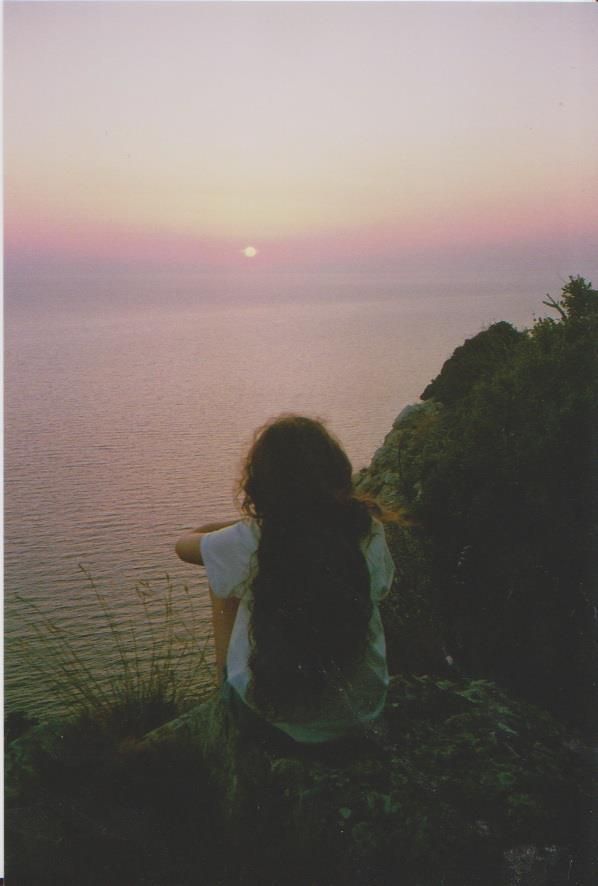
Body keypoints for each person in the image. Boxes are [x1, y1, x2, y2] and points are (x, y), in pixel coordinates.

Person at [175, 414, 395, 746]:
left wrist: (232, 529)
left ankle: (223, 685)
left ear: (263, 482)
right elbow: (380, 589)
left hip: (274, 725)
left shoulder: (253, 538)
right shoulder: (366, 528)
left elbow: (184, 546)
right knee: (230, 566)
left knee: (221, 574)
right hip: (362, 714)